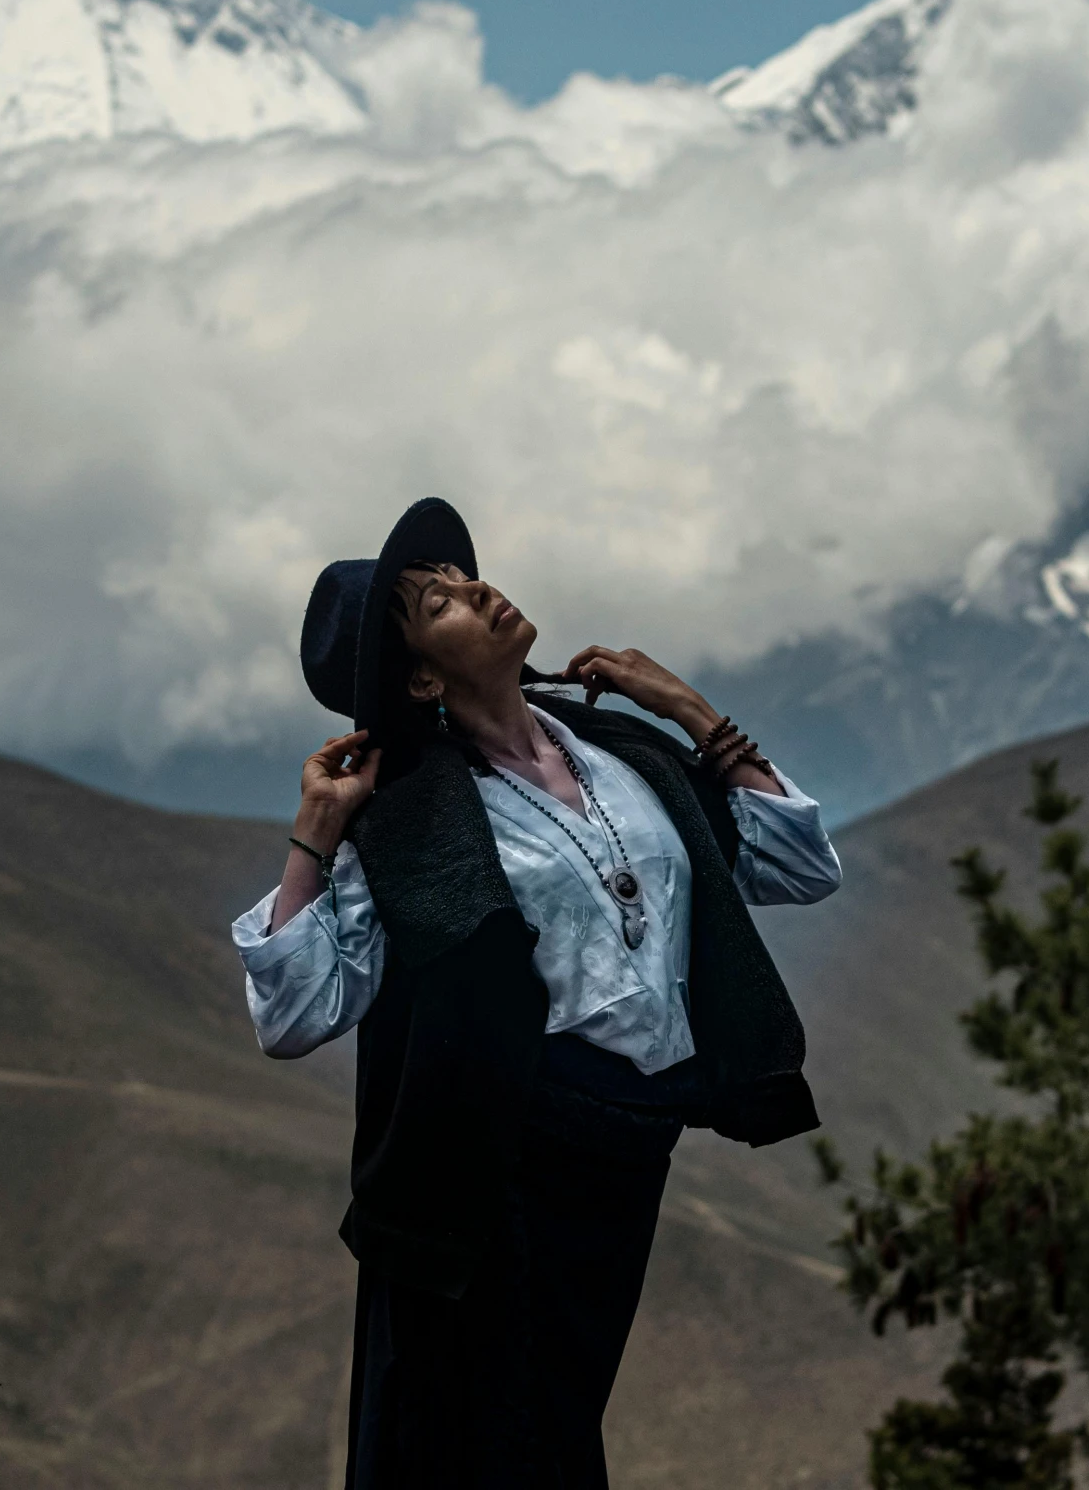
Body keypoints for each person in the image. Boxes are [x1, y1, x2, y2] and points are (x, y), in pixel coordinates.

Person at [231, 497, 842, 1488]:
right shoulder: (411, 818)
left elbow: (798, 866)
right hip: (500, 1167)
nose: (474, 588)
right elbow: (294, 1016)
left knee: (555, 1425)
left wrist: (682, 708)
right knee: (495, 1446)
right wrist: (315, 837)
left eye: (460, 576)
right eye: (437, 602)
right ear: (422, 675)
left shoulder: (623, 757)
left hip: (627, 1158)